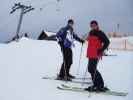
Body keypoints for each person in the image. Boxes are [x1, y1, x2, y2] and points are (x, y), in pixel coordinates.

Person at [85, 20, 110, 92]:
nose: (93, 26)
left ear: (97, 25)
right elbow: (89, 41)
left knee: (92, 69)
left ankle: (100, 85)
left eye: (94, 25)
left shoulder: (100, 33)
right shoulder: (91, 32)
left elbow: (107, 42)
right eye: (91, 25)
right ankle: (95, 84)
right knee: (90, 69)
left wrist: (101, 50)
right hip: (90, 53)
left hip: (96, 53)